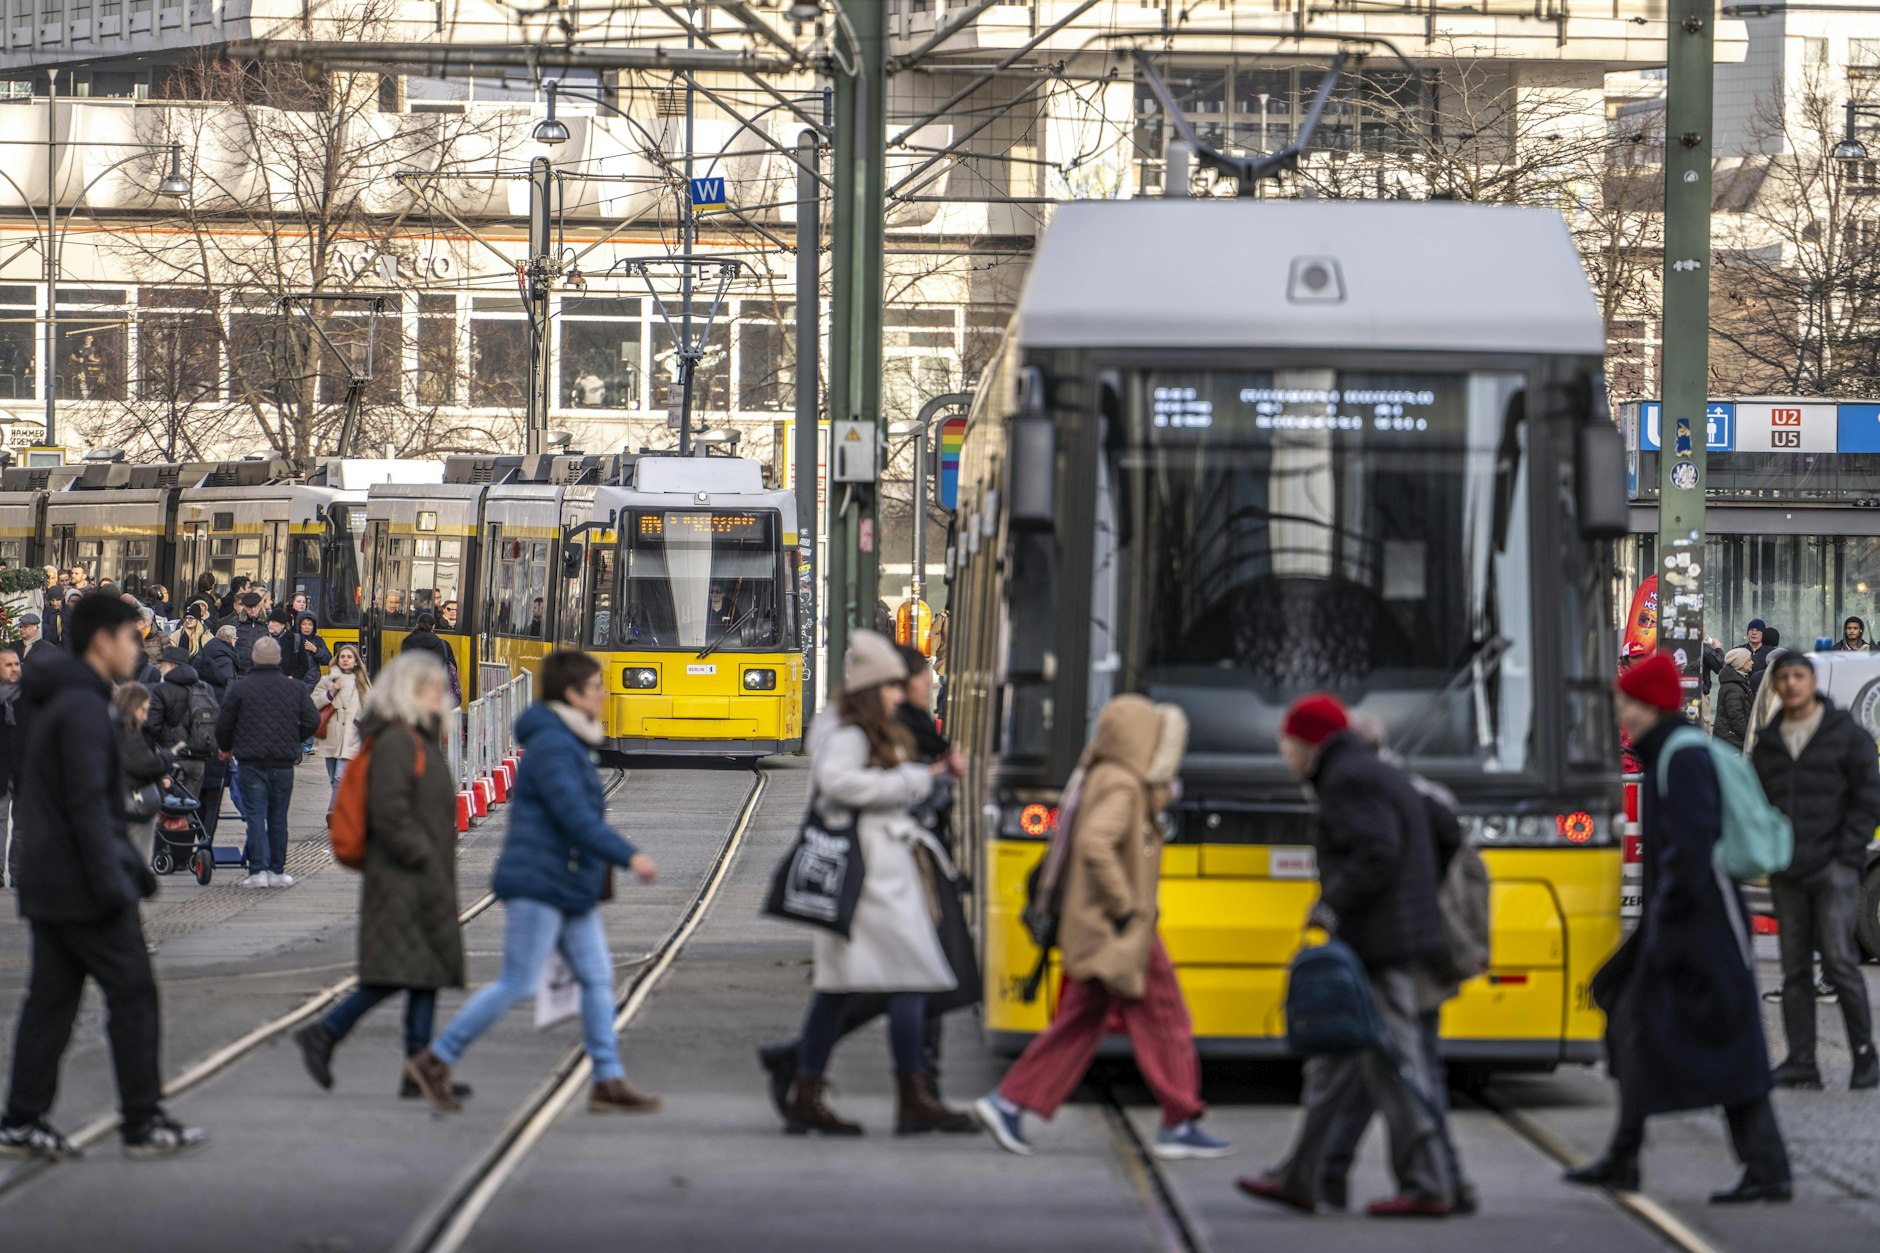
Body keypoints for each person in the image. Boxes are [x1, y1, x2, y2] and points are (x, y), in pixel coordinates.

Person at [1567, 651, 1791, 1202]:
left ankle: (1766, 1170)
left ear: (1649, 705)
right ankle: (1630, 1156)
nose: (1622, 710)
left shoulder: (1679, 757)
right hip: (1689, 921)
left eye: (1628, 701)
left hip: (1702, 926)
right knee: (1637, 1030)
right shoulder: (1666, 752)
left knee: (1720, 1043)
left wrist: (1662, 932)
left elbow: (1690, 851)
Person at [976, 691, 1229, 1159]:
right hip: (1119, 928)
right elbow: (1096, 844)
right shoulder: (1123, 785)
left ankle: (1008, 1102)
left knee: (1081, 1022)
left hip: (1102, 927)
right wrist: (1127, 905)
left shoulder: (1101, 774)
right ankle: (1179, 1120)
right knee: (1165, 1016)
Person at [405, 650, 659, 1115]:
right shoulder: (554, 747)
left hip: (567, 882)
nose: (604, 693)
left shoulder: (568, 739)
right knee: (519, 981)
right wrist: (630, 855)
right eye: (596, 687)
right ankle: (436, 1058)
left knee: (598, 977)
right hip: (541, 881)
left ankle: (606, 1079)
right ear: (572, 694)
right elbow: (573, 816)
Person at [0, 593, 207, 1159]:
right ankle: (142, 1122)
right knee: (133, 994)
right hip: (84, 884)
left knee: (51, 1003)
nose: (137, 647)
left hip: (51, 881)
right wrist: (118, 879)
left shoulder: (61, 699)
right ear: (101, 642)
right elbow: (90, 805)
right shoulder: (87, 709)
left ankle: (21, 1119)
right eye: (129, 637)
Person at [1235, 694, 1454, 1216]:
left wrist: (1330, 904)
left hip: (1379, 947)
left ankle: (1429, 1184)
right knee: (1332, 1067)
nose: (1285, 757)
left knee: (1398, 1068)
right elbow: (1443, 834)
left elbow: (1376, 849)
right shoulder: (1375, 770)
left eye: (1286, 746)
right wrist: (1420, 895)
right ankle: (1300, 1177)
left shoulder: (1346, 780)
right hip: (1388, 937)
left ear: (1307, 744)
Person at [756, 643, 970, 1122]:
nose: (901, 694)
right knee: (909, 978)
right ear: (874, 689)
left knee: (846, 987)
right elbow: (839, 784)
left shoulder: (867, 729)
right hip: (872, 875)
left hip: (882, 870)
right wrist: (915, 780)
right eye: (892, 685)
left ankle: (807, 1091)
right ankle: (909, 1097)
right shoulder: (852, 734)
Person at [293, 654, 466, 1099]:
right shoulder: (398, 742)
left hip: (419, 877)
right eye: (431, 689)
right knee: (400, 972)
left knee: (422, 973)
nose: (440, 696)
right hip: (403, 877)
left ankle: (417, 1067)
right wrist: (424, 855)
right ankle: (327, 1031)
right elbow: (390, 813)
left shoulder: (418, 738)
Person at [1749, 652, 1880, 1091]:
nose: (1790, 684)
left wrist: (1847, 852)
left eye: (1798, 676)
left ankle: (1866, 1058)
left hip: (1833, 869)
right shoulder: (1770, 741)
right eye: (1783, 677)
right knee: (1794, 969)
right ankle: (1802, 1060)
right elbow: (1758, 800)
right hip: (1788, 870)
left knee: (1841, 962)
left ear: (1812, 682)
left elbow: (1868, 796)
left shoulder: (1845, 735)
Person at [214, 635, 319, 889]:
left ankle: (257, 871)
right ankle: (277, 871)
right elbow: (312, 720)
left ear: (254, 658)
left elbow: (224, 723)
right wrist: (295, 739)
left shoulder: (240, 688)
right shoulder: (294, 688)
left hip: (251, 761)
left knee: (255, 815)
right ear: (279, 659)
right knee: (278, 817)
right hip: (283, 763)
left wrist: (227, 748)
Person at [147, 646, 223, 839]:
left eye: (162, 665)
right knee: (190, 806)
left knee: (169, 807)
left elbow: (152, 727)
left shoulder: (161, 690)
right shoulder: (205, 689)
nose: (160, 669)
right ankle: (188, 851)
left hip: (171, 758)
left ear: (172, 665)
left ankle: (171, 853)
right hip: (199, 759)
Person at [114, 683, 172, 861]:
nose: (146, 716)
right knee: (139, 857)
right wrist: (165, 759)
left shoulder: (110, 728)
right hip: (134, 801)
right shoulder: (129, 732)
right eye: (143, 709)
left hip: (118, 800)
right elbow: (143, 763)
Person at [311, 643, 370, 799]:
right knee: (333, 779)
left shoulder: (362, 682)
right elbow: (313, 704)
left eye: (349, 657)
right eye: (342, 656)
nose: (345, 659)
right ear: (337, 660)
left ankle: (335, 815)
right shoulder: (327, 680)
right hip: (331, 735)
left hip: (352, 737)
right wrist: (330, 694)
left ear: (356, 661)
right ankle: (343, 810)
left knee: (340, 777)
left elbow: (370, 709)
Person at [400, 611, 460, 706]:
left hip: (414, 690)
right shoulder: (443, 644)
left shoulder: (407, 642)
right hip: (436, 692)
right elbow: (453, 668)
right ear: (433, 627)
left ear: (417, 625)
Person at [1714, 647, 1755, 751]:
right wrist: (1749, 738)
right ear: (1740, 663)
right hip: (1732, 742)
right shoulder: (1734, 688)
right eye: (1749, 660)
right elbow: (1736, 718)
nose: (1752, 662)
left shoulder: (1739, 683)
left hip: (1731, 739)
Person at [0, 647, 16, 889]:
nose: (15, 669)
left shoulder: (28, 694)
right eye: (9, 665)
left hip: (24, 767)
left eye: (17, 664)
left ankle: (18, 872)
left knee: (23, 823)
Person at [232, 592, 268, 676]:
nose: (253, 610)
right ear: (244, 607)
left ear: (259, 605)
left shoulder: (268, 622)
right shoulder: (235, 623)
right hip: (241, 671)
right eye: (249, 607)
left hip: (263, 671)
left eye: (255, 606)